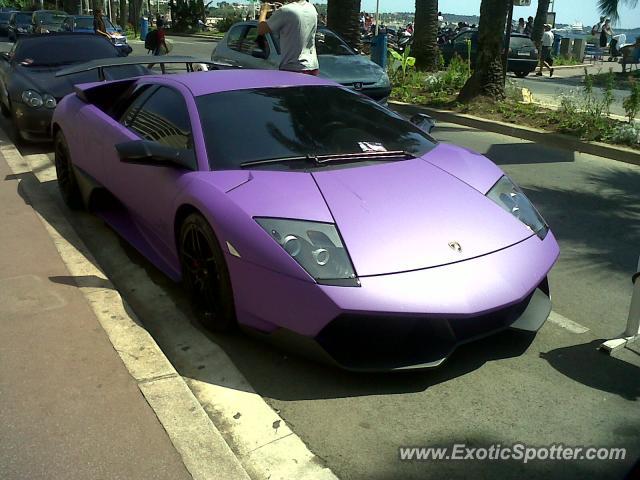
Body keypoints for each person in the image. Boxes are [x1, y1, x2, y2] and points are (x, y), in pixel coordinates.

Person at [258, 0, 319, 75]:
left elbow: (261, 29)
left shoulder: (285, 11)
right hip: (312, 66)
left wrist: (263, 11)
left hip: (293, 67)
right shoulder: (312, 8)